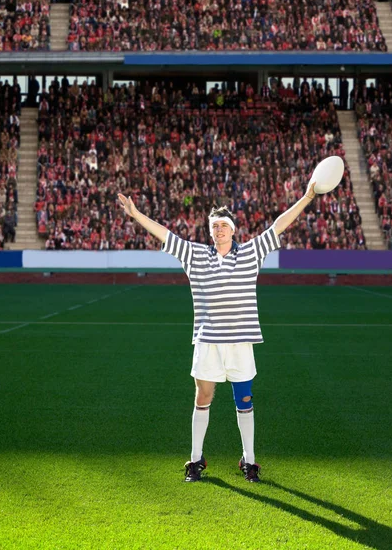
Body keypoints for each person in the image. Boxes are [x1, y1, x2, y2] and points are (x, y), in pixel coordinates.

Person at [118, 180, 317, 483]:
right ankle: (196, 459)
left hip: (240, 342)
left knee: (245, 399)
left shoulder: (251, 253)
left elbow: (278, 226)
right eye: (214, 226)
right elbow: (165, 234)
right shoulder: (196, 256)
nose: (219, 229)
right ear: (210, 231)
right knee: (203, 395)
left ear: (234, 229)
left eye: (224, 224)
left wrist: (306, 198)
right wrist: (136, 214)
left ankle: (249, 461)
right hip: (208, 341)